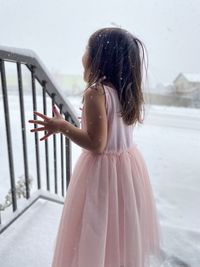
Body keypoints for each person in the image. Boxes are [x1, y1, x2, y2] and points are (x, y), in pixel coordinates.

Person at [28, 27, 163, 267]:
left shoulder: (96, 92)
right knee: (118, 230)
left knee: (94, 227)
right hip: (126, 170)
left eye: (86, 49)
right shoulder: (124, 92)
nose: (83, 55)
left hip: (102, 174)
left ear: (98, 57)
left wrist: (62, 126)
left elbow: (97, 144)